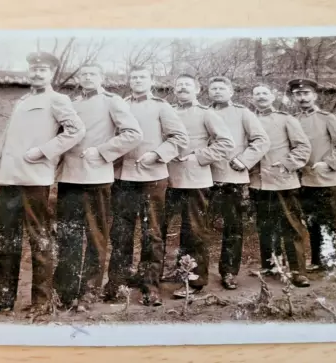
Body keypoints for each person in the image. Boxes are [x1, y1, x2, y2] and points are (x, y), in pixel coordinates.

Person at [0, 52, 86, 315]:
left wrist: (43, 151)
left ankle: (42, 302)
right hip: (9, 179)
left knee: (39, 240)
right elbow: (5, 141)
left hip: (34, 179)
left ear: (52, 73)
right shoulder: (22, 100)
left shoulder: (57, 99)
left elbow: (76, 131)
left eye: (43, 69)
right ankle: (1, 297)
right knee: (5, 239)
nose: (37, 73)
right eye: (33, 68)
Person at [52, 63, 142, 311]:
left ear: (102, 77)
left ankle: (89, 292)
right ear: (78, 79)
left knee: (95, 236)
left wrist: (102, 152)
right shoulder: (72, 103)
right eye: (84, 74)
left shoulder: (112, 101)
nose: (88, 77)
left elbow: (133, 133)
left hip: (96, 177)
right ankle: (65, 292)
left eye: (93, 74)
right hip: (69, 176)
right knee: (68, 235)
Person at [103, 65, 189, 306]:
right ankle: (116, 284)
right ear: (129, 81)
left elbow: (180, 138)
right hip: (123, 177)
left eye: (143, 77)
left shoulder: (162, 106)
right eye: (134, 77)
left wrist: (158, 155)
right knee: (120, 233)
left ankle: (151, 287)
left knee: (152, 233)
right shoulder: (120, 104)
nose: (138, 81)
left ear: (151, 81)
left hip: (152, 176)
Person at [161, 74, 234, 299]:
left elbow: (226, 143)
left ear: (197, 89)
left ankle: (196, 280)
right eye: (179, 84)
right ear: (173, 89)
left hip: (195, 179)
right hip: (165, 177)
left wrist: (198, 156)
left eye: (187, 85)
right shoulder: (167, 111)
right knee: (160, 228)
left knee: (194, 229)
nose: (182, 88)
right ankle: (177, 271)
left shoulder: (206, 113)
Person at [288, 78, 336, 283]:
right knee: (312, 223)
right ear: (293, 97)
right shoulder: (292, 120)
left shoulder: (327, 118)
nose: (302, 97)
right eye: (298, 94)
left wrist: (329, 164)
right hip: (302, 181)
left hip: (327, 180)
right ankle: (318, 261)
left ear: (315, 96)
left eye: (306, 93)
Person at [207, 76, 270, 290]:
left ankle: (229, 272)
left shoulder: (243, 113)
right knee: (197, 228)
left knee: (232, 227)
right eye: (213, 88)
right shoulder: (203, 112)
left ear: (231, 91)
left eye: (221, 88)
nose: (217, 91)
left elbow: (261, 140)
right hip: (203, 177)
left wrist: (243, 160)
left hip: (231, 177)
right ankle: (193, 272)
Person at [249, 83, 312, 288]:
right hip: (258, 183)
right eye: (257, 94)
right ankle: (271, 265)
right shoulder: (249, 120)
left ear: (273, 96)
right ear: (251, 99)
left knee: (291, 227)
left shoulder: (286, 119)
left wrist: (287, 164)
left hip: (283, 181)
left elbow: (303, 147)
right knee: (265, 226)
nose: (261, 97)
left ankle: (298, 271)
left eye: (265, 93)